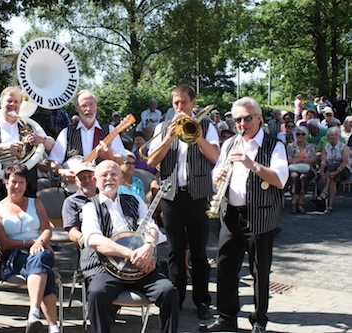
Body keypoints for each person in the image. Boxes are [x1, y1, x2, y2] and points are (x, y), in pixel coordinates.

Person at [201, 97, 288, 333]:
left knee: (259, 271)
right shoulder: (229, 143)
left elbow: (280, 179)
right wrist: (216, 178)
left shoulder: (274, 145)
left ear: (259, 118)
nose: (242, 123)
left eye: (247, 118)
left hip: (260, 216)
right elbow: (216, 172)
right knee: (225, 267)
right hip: (231, 215)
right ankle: (226, 317)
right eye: (237, 119)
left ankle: (259, 321)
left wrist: (254, 165)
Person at [80, 160, 179, 333]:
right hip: (106, 267)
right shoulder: (90, 207)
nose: (109, 178)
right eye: (104, 175)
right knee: (97, 293)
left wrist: (148, 247)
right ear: (96, 181)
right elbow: (94, 240)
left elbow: (152, 227)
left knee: (168, 291)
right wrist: (132, 254)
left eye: (113, 174)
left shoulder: (135, 201)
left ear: (120, 178)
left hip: (141, 267)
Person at [147, 84, 219, 317]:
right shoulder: (163, 127)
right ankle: (175, 299)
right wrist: (168, 137)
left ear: (193, 103)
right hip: (171, 195)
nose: (179, 107)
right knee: (174, 250)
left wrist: (195, 134)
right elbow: (151, 161)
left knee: (198, 251)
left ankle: (202, 301)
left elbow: (215, 156)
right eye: (176, 103)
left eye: (184, 103)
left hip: (198, 195)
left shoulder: (207, 126)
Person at [0, 164, 60, 333]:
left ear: (26, 184)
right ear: (5, 182)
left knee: (40, 257)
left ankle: (33, 312)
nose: (17, 186)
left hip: (41, 249)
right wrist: (30, 242)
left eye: (21, 183)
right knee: (44, 271)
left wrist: (40, 242)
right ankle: (53, 327)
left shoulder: (36, 203)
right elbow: (4, 242)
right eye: (13, 182)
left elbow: (47, 229)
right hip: (14, 254)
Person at [0, 86, 54, 198]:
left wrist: (42, 139)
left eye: (16, 102)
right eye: (9, 101)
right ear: (1, 102)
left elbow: (52, 145)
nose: (12, 104)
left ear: (20, 105)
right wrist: (5, 147)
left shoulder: (29, 127)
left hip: (27, 185)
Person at [48, 89, 126, 183]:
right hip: (74, 190)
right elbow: (53, 161)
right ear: (77, 108)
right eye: (84, 106)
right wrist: (62, 171)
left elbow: (121, 159)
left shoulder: (109, 130)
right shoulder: (66, 132)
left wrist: (111, 157)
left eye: (91, 104)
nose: (88, 109)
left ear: (96, 106)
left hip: (102, 187)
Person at [62, 161, 97, 247]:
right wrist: (87, 240)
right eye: (82, 178)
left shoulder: (105, 197)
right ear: (76, 181)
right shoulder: (71, 202)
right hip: (87, 243)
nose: (87, 180)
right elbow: (72, 232)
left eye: (90, 176)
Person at [318, 126, 350, 214]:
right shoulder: (326, 148)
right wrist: (321, 173)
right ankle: (330, 206)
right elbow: (323, 162)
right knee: (332, 180)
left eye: (335, 135)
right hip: (331, 173)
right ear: (328, 137)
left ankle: (325, 191)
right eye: (331, 135)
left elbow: (345, 162)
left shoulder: (343, 147)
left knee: (334, 166)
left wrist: (335, 172)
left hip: (343, 170)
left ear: (339, 136)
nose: (333, 137)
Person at [286, 126, 317, 214]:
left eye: (303, 134)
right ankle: (294, 203)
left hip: (307, 169)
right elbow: (289, 160)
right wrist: (305, 159)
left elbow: (313, 161)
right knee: (294, 176)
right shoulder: (290, 146)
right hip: (294, 169)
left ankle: (300, 203)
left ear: (306, 135)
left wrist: (299, 159)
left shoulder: (310, 146)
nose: (300, 136)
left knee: (304, 177)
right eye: (298, 134)